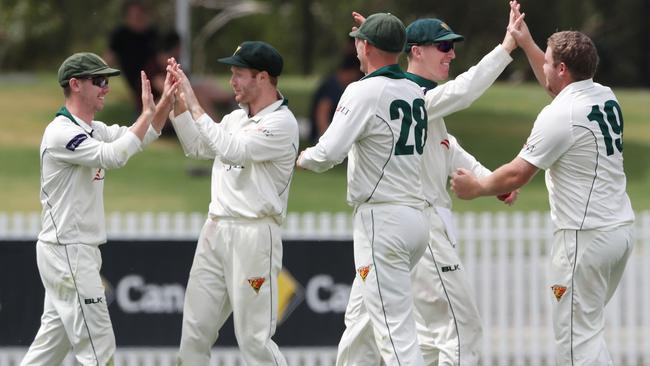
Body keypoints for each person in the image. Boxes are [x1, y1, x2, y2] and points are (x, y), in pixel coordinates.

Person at [451, 3, 635, 364]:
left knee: (574, 344)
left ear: (563, 69)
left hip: (584, 238)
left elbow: (519, 173)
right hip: (618, 232)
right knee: (588, 333)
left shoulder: (560, 115)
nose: (542, 67)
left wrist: (477, 187)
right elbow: (558, 85)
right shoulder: (603, 96)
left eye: (548, 62)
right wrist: (527, 42)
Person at [346, 7, 521, 365]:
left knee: (375, 334)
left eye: (452, 46)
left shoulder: (405, 100)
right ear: (416, 51)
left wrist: (490, 181)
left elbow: (447, 146)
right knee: (461, 330)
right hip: (417, 228)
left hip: (386, 232)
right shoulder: (414, 97)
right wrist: (506, 47)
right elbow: (466, 89)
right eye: (443, 47)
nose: (452, 54)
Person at [20, 52, 176, 365]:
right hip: (67, 251)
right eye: (99, 81)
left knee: (48, 350)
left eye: (107, 81)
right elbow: (113, 157)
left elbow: (140, 139)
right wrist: (145, 114)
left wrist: (163, 105)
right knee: (99, 349)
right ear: (75, 84)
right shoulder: (61, 133)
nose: (106, 88)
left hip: (74, 251)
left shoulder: (93, 129)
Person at [297, 13, 430, 365]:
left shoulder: (362, 90)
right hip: (413, 218)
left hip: (382, 221)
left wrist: (300, 158)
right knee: (360, 325)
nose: (355, 43)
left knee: (394, 333)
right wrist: (376, 26)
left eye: (359, 38)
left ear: (365, 46)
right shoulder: (415, 90)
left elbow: (329, 152)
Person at [167, 41, 299, 366]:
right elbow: (198, 147)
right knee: (194, 334)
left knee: (253, 340)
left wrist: (196, 104)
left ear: (263, 78)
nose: (232, 81)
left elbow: (233, 151)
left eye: (239, 74)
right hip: (215, 231)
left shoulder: (282, 123)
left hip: (254, 236)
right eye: (232, 73)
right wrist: (178, 105)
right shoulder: (234, 119)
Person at [107, 0, 160, 110]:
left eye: (140, 15)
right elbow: (108, 58)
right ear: (127, 17)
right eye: (135, 15)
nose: (138, 18)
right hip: (142, 83)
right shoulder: (120, 35)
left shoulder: (152, 34)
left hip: (157, 77)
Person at [308, 54, 362, 144]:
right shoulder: (332, 86)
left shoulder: (340, 86)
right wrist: (327, 141)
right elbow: (322, 115)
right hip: (325, 137)